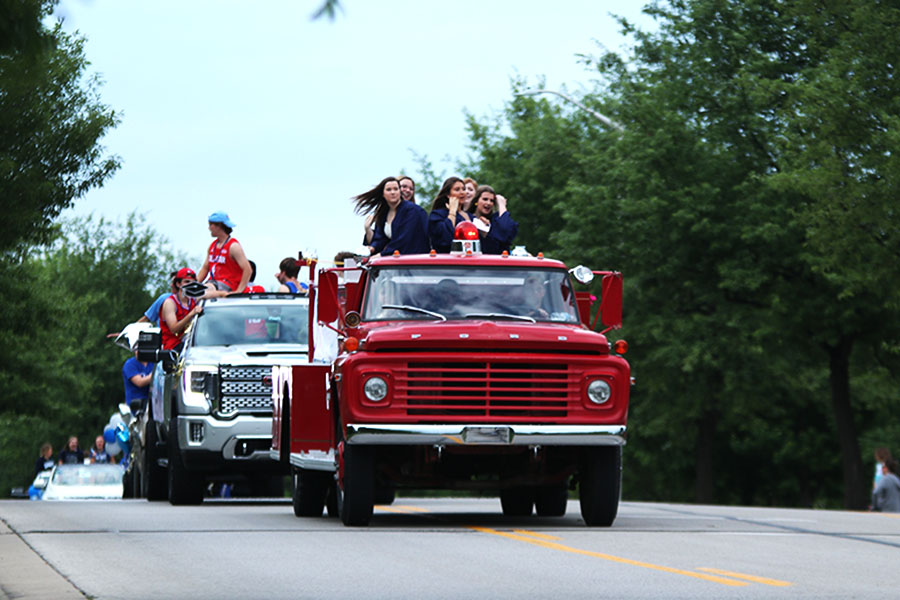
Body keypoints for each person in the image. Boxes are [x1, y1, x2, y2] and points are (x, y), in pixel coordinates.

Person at [353, 176, 430, 256]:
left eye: (396, 189)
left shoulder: (412, 211)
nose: (393, 192)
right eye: (389, 190)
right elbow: (380, 239)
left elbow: (402, 240)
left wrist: (381, 255)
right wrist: (373, 248)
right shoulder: (383, 213)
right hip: (394, 261)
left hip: (414, 260)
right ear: (383, 194)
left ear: (400, 192)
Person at [196, 211, 252, 295]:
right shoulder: (212, 246)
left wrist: (239, 291)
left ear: (219, 226)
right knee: (197, 292)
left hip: (228, 285)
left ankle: (222, 294)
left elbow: (248, 269)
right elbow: (205, 268)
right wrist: (195, 284)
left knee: (205, 291)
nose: (209, 228)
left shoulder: (233, 246)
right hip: (214, 283)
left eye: (211, 225)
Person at [467, 185, 519, 254]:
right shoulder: (467, 218)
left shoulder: (496, 220)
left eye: (491, 201)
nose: (488, 203)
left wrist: (501, 204)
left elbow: (505, 230)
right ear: (476, 201)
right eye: (485, 199)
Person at [160, 267, 202, 350]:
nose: (190, 285)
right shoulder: (170, 302)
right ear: (178, 284)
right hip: (173, 348)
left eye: (193, 283)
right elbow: (174, 329)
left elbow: (212, 293)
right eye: (187, 282)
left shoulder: (194, 300)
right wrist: (191, 314)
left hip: (190, 345)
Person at [428, 177, 471, 253]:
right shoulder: (437, 215)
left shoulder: (470, 216)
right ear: (448, 195)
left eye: (463, 189)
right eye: (457, 189)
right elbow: (445, 239)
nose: (462, 192)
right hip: (447, 261)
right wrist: (452, 211)